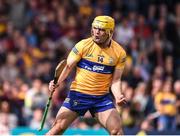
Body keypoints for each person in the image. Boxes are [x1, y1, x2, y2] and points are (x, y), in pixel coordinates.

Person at [46, 15, 127, 135]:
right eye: (94, 28)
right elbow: (68, 67)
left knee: (117, 131)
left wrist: (118, 96)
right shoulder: (83, 45)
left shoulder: (119, 53)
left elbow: (115, 81)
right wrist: (57, 83)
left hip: (101, 98)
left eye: (101, 29)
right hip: (79, 94)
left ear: (110, 32)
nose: (96, 32)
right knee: (58, 128)